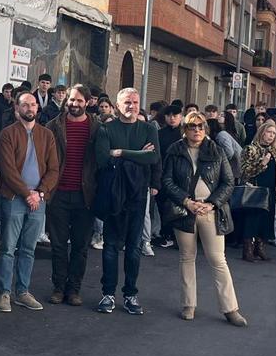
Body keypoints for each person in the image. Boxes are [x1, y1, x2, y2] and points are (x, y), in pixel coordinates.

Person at [160, 112, 247, 326]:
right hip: (184, 210)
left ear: (206, 129)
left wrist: (211, 203)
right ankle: (188, 304)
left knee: (218, 260)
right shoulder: (175, 150)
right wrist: (186, 202)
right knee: (187, 257)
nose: (196, 130)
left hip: (210, 212)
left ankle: (230, 308)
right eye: (192, 126)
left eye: (200, 126)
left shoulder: (216, 151)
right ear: (185, 129)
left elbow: (228, 182)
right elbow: (167, 181)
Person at [94, 88, 159, 315]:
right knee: (111, 246)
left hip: (138, 196)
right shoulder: (106, 128)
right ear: (117, 105)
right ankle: (108, 294)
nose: (131, 106)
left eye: (135, 102)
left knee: (133, 248)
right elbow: (102, 158)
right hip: (114, 194)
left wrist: (120, 152)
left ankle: (131, 294)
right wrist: (137, 154)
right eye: (126, 102)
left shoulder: (149, 129)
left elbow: (153, 157)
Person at [0, 92, 59, 313]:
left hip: (38, 201)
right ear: (17, 109)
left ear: (37, 109)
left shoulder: (47, 135)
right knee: (7, 248)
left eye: (33, 104)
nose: (30, 108)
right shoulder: (8, 134)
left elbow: (54, 169)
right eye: (25, 105)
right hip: (14, 198)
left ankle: (22, 291)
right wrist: (27, 193)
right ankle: (4, 292)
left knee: (28, 249)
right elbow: (7, 169)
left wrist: (40, 193)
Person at [46, 85, 97, 305]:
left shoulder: (97, 128)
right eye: (71, 100)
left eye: (79, 101)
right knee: (58, 245)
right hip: (58, 194)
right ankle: (58, 288)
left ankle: (74, 289)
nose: (74, 104)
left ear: (87, 102)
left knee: (80, 246)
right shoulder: (53, 126)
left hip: (85, 196)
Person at [239, 119, 276, 262]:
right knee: (252, 219)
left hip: (270, 189)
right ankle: (248, 249)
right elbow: (244, 171)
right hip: (255, 190)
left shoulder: (275, 151)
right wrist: (262, 164)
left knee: (266, 219)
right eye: (268, 132)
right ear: (262, 132)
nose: (271, 135)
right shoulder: (251, 149)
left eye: (273, 133)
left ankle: (260, 247)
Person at [153, 105, 184, 249]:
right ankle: (165, 233)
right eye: (169, 115)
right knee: (162, 205)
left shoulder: (184, 134)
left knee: (179, 205)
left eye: (175, 115)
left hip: (181, 175)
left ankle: (177, 235)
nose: (172, 118)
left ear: (181, 117)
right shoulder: (159, 134)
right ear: (165, 117)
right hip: (163, 174)